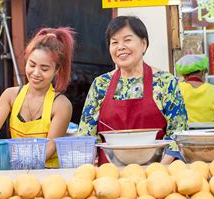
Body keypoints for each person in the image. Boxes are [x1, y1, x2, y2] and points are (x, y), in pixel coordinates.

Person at [78, 16, 188, 164]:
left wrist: (157, 170)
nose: (120, 47)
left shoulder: (165, 82)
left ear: (143, 44)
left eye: (127, 40)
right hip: (110, 175)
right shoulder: (100, 84)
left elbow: (178, 134)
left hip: (156, 173)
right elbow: (86, 136)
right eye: (114, 42)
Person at [0, 28, 74, 167]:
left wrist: (17, 162)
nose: (36, 73)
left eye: (44, 69)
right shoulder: (10, 95)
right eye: (32, 65)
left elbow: (50, 147)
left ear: (56, 70)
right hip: (17, 171)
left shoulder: (61, 105)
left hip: (49, 175)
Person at [175, 54, 214, 123]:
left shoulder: (177, 89)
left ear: (184, 75)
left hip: (186, 133)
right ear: (203, 72)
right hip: (210, 133)